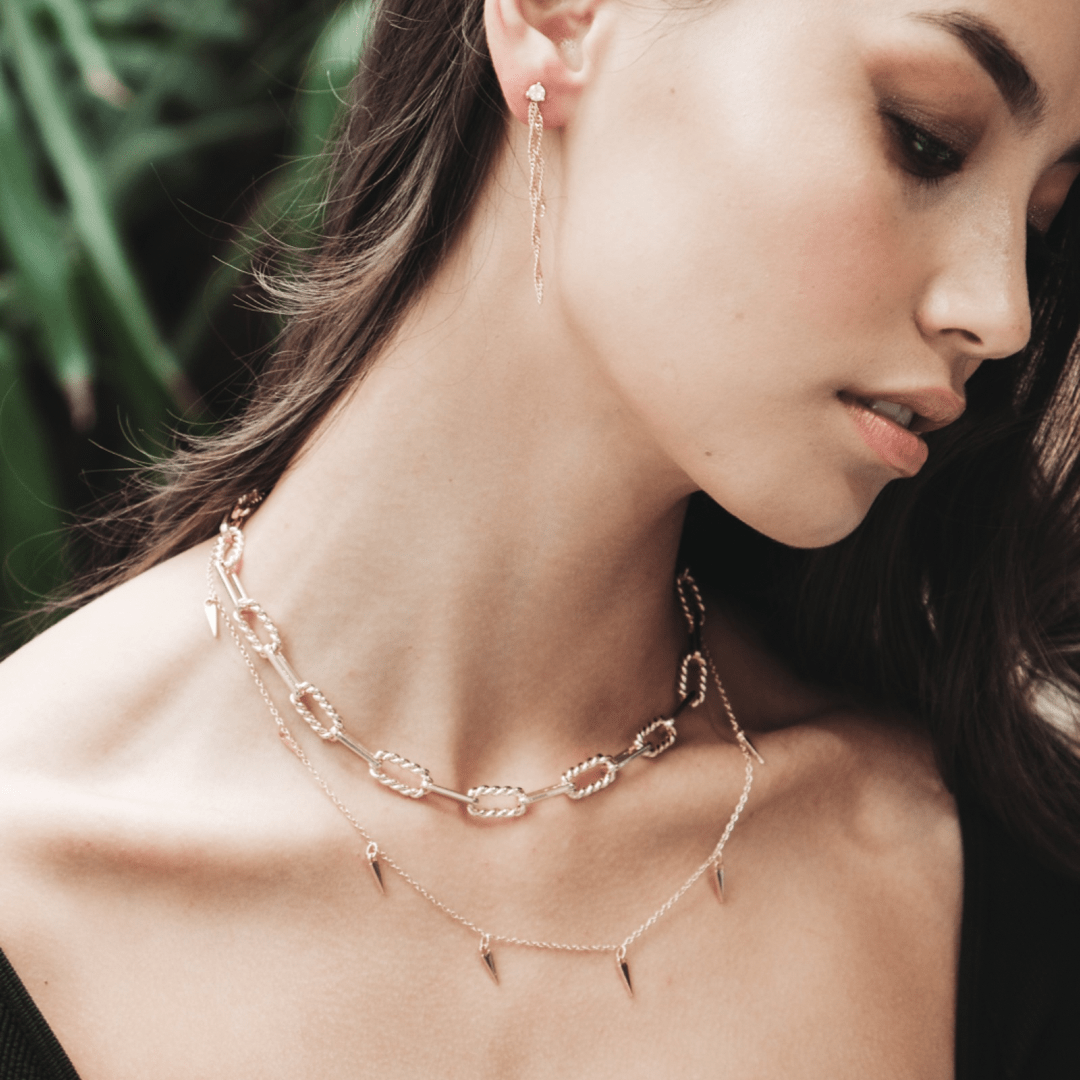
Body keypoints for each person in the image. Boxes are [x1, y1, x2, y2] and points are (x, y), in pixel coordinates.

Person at [1, 0, 1079, 1075]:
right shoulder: (39, 862)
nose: (1003, 311)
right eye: (925, 137)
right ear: (562, 20)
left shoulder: (987, 877)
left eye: (1042, 219)